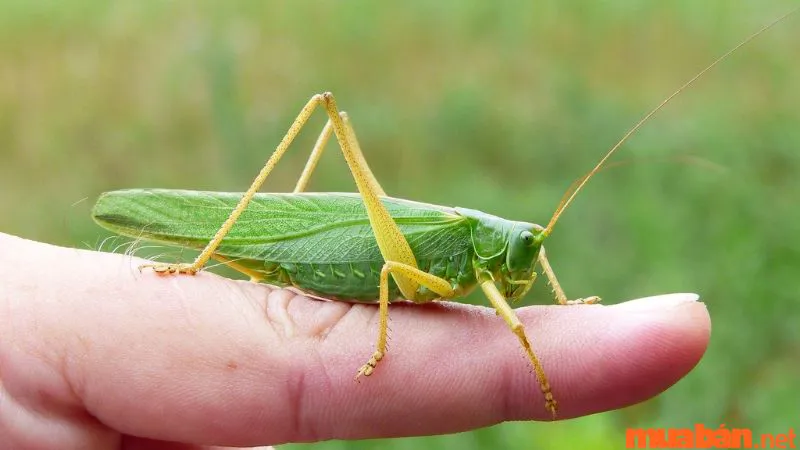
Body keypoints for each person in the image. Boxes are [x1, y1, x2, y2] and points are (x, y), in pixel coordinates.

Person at [0, 232, 710, 449]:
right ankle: (200, 248)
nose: (525, 261)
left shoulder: (503, 253)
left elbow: (524, 269)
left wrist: (563, 301)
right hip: (365, 264)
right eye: (522, 251)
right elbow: (400, 273)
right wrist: (375, 347)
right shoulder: (463, 249)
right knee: (328, 108)